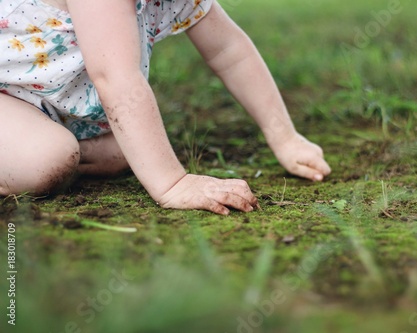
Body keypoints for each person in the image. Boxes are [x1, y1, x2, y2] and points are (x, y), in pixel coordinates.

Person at [0, 0, 331, 215]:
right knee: (48, 158)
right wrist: (173, 183)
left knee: (127, 150)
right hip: (8, 97)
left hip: (40, 106)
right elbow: (116, 79)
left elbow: (229, 51)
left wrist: (285, 137)